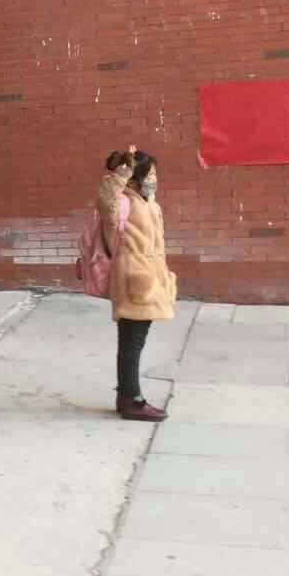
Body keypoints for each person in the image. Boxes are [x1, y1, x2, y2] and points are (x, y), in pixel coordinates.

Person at [98, 146, 176, 422]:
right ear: (134, 177)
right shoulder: (122, 200)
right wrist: (120, 175)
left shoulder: (149, 202)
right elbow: (106, 205)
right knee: (132, 342)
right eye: (150, 174)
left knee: (133, 341)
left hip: (150, 277)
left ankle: (126, 395)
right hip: (133, 279)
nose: (155, 179)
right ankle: (132, 400)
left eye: (155, 174)